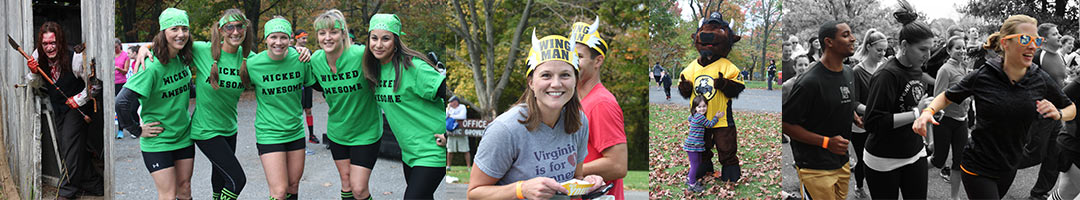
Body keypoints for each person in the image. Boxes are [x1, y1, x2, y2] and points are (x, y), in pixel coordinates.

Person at [913, 14, 1077, 199]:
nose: (1033, 46)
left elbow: (1071, 108)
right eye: (1025, 39)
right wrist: (928, 112)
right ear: (1005, 43)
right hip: (978, 165)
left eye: (1036, 40)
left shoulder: (1038, 77)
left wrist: (1059, 113)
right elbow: (947, 96)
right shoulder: (985, 74)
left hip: (1009, 166)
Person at [466, 30, 605, 200]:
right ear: (531, 82)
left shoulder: (579, 121)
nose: (556, 84)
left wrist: (587, 184)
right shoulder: (505, 130)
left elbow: (575, 179)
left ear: (575, 80)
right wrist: (521, 190)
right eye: (546, 75)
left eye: (565, 75)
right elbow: (474, 193)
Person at [362, 13, 448, 199]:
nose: (378, 44)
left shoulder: (413, 67)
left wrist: (451, 133)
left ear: (396, 41)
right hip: (410, 152)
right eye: (374, 38)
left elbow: (453, 95)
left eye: (386, 39)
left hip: (432, 150)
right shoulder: (375, 68)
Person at [115, 8, 196, 200]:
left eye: (184, 29)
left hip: (183, 135)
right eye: (174, 29)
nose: (181, 34)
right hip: (158, 140)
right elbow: (122, 102)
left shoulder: (182, 58)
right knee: (168, 194)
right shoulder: (150, 66)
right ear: (163, 32)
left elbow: (188, 89)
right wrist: (136, 130)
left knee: (185, 189)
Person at [306, 9, 381, 200]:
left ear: (343, 34)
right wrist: (298, 50)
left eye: (333, 32)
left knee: (359, 189)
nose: (327, 38)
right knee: (346, 184)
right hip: (338, 131)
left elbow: (391, 64)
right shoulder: (315, 61)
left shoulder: (361, 55)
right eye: (322, 33)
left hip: (366, 132)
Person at [861, 3, 935, 198]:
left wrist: (927, 112)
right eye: (922, 49)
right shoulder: (886, 75)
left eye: (930, 49)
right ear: (904, 46)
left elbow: (910, 106)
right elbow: (873, 122)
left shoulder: (916, 69)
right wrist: (916, 113)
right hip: (884, 159)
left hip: (915, 152)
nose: (927, 55)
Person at [25, 21, 104, 200]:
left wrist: (78, 99)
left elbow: (94, 86)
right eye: (45, 43)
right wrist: (34, 72)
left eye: (53, 43)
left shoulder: (75, 58)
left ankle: (66, 192)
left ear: (59, 41)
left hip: (79, 109)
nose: (49, 47)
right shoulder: (37, 56)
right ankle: (94, 184)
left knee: (69, 147)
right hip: (59, 108)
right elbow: (35, 85)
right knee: (71, 148)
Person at [781, 20, 857, 200]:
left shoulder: (848, 72)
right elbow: (786, 124)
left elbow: (837, 99)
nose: (853, 39)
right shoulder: (809, 82)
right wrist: (826, 142)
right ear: (829, 42)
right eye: (845, 35)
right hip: (815, 167)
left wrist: (853, 115)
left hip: (842, 161)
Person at [245, 17, 313, 200]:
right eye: (273, 37)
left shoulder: (301, 59)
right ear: (266, 39)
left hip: (295, 130)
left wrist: (306, 51)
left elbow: (316, 81)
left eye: (283, 37)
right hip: (269, 132)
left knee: (293, 185)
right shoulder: (253, 64)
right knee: (279, 191)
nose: (278, 42)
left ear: (290, 39)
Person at [676, 12, 746, 183]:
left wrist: (725, 84)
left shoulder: (727, 66)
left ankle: (730, 169)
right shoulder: (692, 67)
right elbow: (683, 87)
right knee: (701, 145)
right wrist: (685, 88)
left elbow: (738, 87)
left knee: (726, 145)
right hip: (699, 118)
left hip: (721, 117)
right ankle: (704, 166)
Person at [571, 17, 627, 200]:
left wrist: (566, 172)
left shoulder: (601, 103)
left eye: (579, 56)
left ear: (597, 61)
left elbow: (618, 165)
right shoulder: (574, 101)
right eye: (570, 56)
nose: (572, 62)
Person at [1025, 22, 1069, 200]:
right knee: (1035, 154)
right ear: (1043, 39)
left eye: (1058, 33)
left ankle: (1038, 193)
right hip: (1040, 113)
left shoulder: (1060, 56)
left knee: (1054, 154)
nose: (1059, 36)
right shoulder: (1037, 56)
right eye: (1055, 34)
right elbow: (1026, 82)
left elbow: (1061, 82)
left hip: (1056, 113)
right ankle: (993, 168)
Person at [931, 35, 973, 200]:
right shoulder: (945, 70)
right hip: (945, 121)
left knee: (959, 162)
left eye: (964, 47)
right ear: (949, 51)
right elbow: (938, 97)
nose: (962, 51)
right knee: (938, 161)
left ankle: (954, 198)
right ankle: (914, 170)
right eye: (958, 48)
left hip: (962, 121)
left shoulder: (964, 68)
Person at [849, 28, 887, 199]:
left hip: (880, 122)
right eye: (879, 50)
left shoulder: (884, 67)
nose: (882, 54)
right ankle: (859, 186)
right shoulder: (857, 71)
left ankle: (878, 189)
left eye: (884, 50)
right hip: (861, 125)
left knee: (879, 158)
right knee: (863, 159)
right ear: (869, 47)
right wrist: (872, 110)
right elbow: (854, 102)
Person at [683, 96, 724, 192]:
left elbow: (689, 118)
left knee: (697, 163)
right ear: (695, 108)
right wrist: (716, 117)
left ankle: (690, 179)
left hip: (695, 145)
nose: (702, 109)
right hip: (693, 146)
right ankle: (692, 185)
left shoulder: (694, 115)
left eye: (704, 106)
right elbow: (709, 124)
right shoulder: (700, 117)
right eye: (699, 107)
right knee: (694, 165)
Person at [292, 29, 321, 145]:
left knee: (308, 110)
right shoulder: (291, 50)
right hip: (296, 86)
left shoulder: (309, 51)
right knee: (297, 111)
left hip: (307, 85)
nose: (305, 40)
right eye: (303, 38)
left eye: (306, 38)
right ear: (297, 38)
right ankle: (297, 137)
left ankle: (311, 135)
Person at [446, 96, 471, 171]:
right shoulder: (449, 108)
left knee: (466, 150)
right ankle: (448, 166)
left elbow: (462, 116)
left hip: (462, 132)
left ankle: (468, 167)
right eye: (450, 102)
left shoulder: (462, 107)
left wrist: (451, 116)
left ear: (456, 102)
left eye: (452, 102)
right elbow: (445, 116)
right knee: (450, 150)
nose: (450, 103)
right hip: (451, 132)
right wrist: (448, 109)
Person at [114, 38, 130, 139]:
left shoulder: (125, 56)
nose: (114, 49)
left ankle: (120, 129)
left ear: (120, 46)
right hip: (111, 83)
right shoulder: (110, 55)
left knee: (119, 107)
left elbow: (126, 71)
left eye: (116, 47)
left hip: (121, 83)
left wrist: (118, 68)